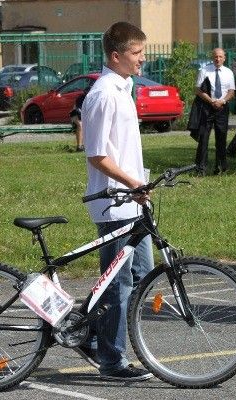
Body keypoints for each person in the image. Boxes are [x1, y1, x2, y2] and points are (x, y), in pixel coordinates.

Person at [81, 21, 154, 381]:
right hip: (114, 203)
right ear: (115, 56)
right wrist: (132, 183)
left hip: (131, 201)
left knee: (142, 273)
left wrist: (139, 185)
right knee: (119, 281)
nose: (142, 59)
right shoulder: (104, 94)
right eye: (136, 53)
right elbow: (97, 155)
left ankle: (92, 332)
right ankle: (111, 360)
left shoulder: (123, 88)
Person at [193, 48, 235, 176]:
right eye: (216, 56)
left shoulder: (228, 72)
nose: (218, 59)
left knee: (221, 138)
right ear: (212, 57)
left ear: (224, 58)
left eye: (220, 57)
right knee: (203, 139)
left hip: (222, 108)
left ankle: (220, 168)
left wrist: (222, 101)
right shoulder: (204, 70)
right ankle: (201, 169)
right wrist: (211, 101)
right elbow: (198, 90)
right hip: (207, 107)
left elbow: (231, 91)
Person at [69, 85, 92, 152]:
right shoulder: (80, 98)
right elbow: (77, 111)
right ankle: (79, 146)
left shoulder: (93, 98)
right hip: (75, 115)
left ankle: (88, 145)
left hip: (83, 116)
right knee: (80, 125)